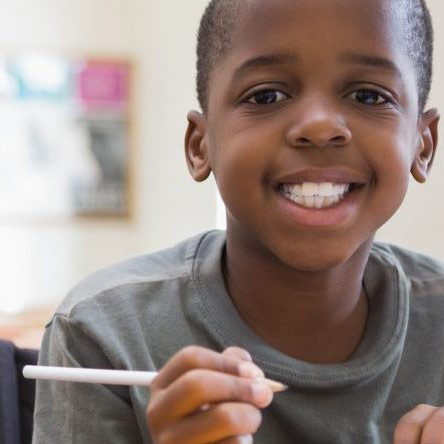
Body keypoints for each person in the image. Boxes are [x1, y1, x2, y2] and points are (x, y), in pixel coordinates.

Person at [32, 0, 443, 442]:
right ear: (199, 145)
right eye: (266, 95)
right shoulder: (104, 333)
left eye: (368, 96)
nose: (320, 126)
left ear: (423, 145)